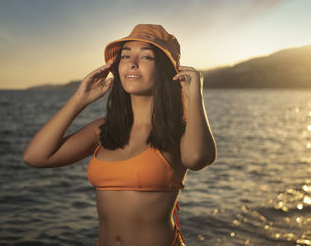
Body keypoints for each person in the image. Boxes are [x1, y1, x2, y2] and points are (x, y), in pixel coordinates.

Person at [23, 24, 216, 246]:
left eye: (146, 57)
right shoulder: (103, 130)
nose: (132, 62)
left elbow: (197, 158)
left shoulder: (176, 132)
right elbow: (35, 157)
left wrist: (195, 97)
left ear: (166, 70)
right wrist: (79, 100)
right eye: (125, 56)